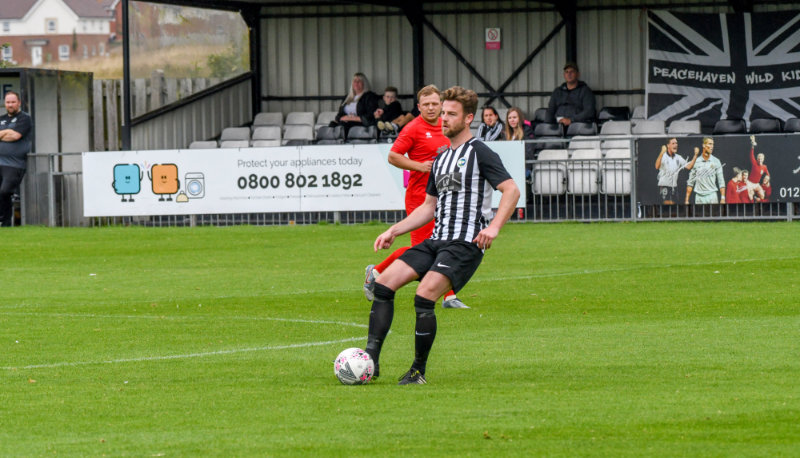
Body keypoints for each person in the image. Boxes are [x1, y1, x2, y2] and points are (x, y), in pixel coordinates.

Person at [363, 85, 520, 385]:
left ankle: (417, 371)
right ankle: (370, 361)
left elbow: (511, 190)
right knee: (382, 284)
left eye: (451, 114)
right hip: (436, 240)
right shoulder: (441, 159)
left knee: (424, 296)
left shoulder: (480, 152)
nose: (443, 118)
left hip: (464, 244)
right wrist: (394, 230)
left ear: (468, 118)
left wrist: (494, 227)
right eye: (443, 113)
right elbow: (428, 207)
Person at [363, 84, 468, 309]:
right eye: (426, 104)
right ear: (419, 107)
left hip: (445, 196)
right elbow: (393, 156)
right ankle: (377, 271)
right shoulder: (413, 128)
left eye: (435, 104)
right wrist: (420, 166)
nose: (431, 108)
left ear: (441, 105)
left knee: (447, 244)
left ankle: (448, 296)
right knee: (423, 249)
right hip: (420, 197)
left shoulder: (447, 126)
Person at [0, 91, 32, 227]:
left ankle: (4, 219)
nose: (10, 105)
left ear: (19, 103)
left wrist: (3, 134)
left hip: (15, 164)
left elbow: (15, 136)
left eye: (13, 102)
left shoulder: (25, 118)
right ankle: (5, 223)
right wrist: (7, 132)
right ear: (4, 103)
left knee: (5, 191)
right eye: (8, 102)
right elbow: (10, 134)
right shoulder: (1, 118)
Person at [545, 62, 596, 127]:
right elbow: (550, 110)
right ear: (564, 75)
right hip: (558, 125)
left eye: (572, 71)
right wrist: (547, 125)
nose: (569, 74)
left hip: (577, 126)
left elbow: (589, 111)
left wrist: (571, 120)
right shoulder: (557, 91)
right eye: (567, 72)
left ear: (578, 74)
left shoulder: (585, 91)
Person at [654, 137, 699, 205]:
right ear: (668, 145)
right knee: (668, 207)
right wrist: (662, 152)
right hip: (664, 186)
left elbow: (689, 166)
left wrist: (695, 155)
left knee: (674, 207)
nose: (675, 145)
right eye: (673, 143)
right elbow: (657, 166)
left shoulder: (678, 157)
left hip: (674, 188)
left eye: (676, 143)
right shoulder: (663, 156)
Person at [685, 137, 725, 205]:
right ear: (704, 145)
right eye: (710, 144)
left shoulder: (716, 161)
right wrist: (687, 200)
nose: (712, 146)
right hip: (699, 197)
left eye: (712, 144)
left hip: (712, 195)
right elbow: (690, 182)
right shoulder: (696, 162)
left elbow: (721, 181)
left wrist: (723, 198)